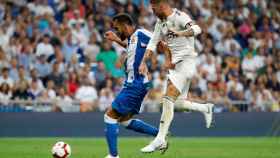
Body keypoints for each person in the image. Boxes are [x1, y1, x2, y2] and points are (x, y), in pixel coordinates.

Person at [139, 0, 214, 153]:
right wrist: (143, 62)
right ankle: (205, 108)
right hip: (176, 65)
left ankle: (160, 139)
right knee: (176, 104)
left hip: (186, 62)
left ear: (162, 6)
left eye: (154, 8)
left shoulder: (180, 16)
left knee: (167, 99)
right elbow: (153, 43)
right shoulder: (160, 23)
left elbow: (197, 28)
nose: (152, 11)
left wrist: (180, 33)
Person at [102, 13, 159, 158]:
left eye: (117, 28)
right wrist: (116, 39)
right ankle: (160, 136)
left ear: (125, 25)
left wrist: (152, 61)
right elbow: (132, 48)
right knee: (125, 120)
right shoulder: (132, 39)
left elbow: (159, 42)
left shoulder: (142, 33)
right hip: (136, 83)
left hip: (136, 83)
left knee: (110, 116)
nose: (116, 31)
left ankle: (113, 156)